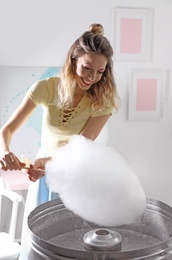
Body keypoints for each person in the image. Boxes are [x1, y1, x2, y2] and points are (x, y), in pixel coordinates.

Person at [0, 23, 119, 258]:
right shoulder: (46, 88)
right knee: (40, 241)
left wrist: (47, 163)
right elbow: (7, 130)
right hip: (44, 174)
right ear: (73, 59)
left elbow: (82, 145)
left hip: (78, 173)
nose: (93, 77)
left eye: (100, 71)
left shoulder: (103, 100)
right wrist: (5, 151)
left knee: (71, 242)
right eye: (87, 68)